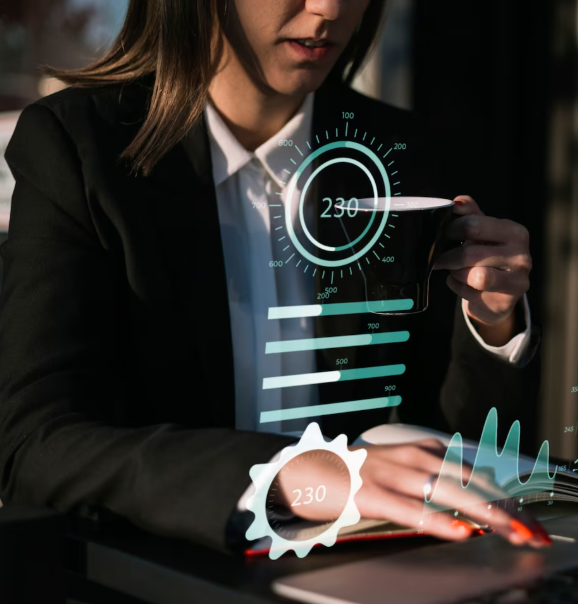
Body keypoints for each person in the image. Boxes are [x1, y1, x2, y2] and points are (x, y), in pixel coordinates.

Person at [0, 0, 547, 551]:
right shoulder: (81, 146)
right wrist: (283, 473)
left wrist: (491, 324)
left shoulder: (401, 154)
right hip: (171, 569)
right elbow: (35, 446)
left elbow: (456, 442)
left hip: (371, 560)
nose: (329, 8)